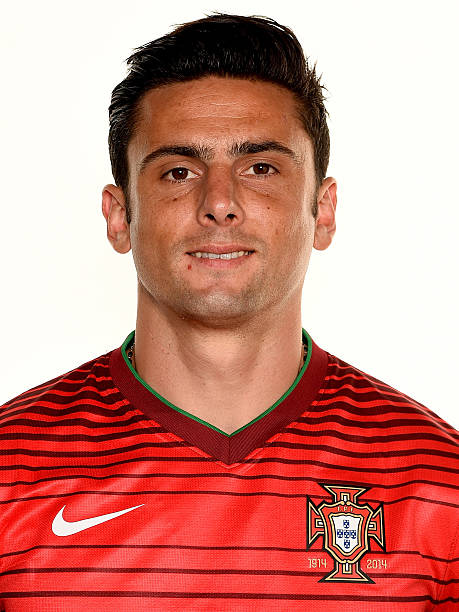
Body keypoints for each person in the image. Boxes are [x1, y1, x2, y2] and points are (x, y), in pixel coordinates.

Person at [0, 13, 457, 611]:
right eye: (179, 171)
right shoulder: (11, 471)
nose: (219, 203)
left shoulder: (437, 483)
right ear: (119, 216)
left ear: (323, 211)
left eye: (260, 168)